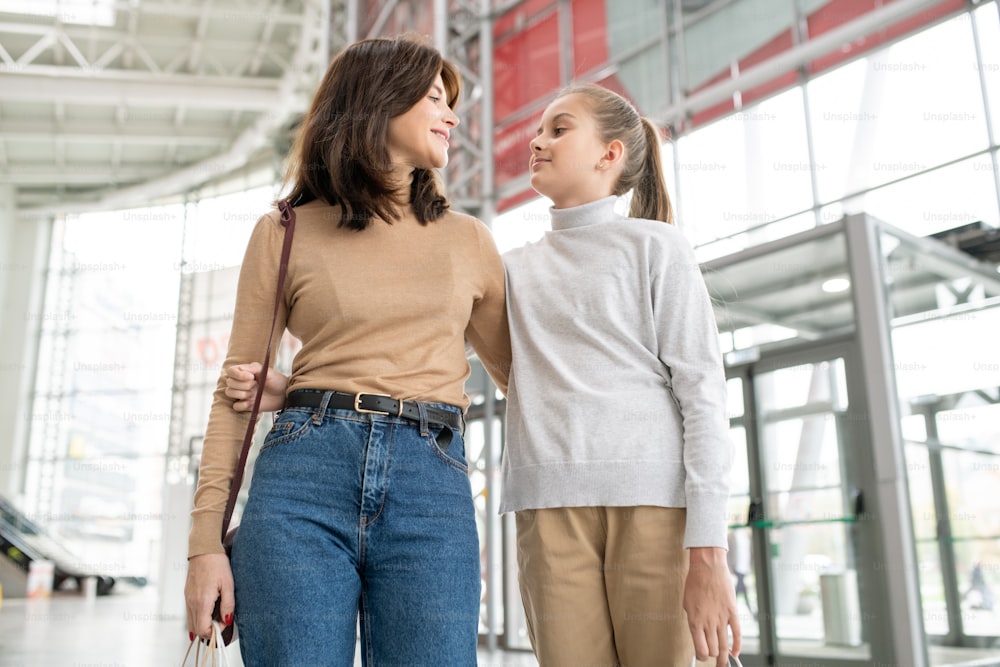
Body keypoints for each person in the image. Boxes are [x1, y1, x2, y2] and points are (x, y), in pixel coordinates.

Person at [227, 82, 740, 666]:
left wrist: (709, 551)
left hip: (654, 504)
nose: (537, 140)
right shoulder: (506, 266)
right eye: (539, 128)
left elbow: (702, 398)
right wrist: (300, 389)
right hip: (545, 509)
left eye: (559, 129)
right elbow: (432, 350)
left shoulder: (659, 248)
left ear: (611, 153)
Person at [184, 35, 511, 666]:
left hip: (430, 486)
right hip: (300, 481)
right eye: (435, 98)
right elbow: (237, 396)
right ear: (378, 101)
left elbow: (526, 381)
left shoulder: (472, 242)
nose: (452, 116)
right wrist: (204, 547)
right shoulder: (283, 231)